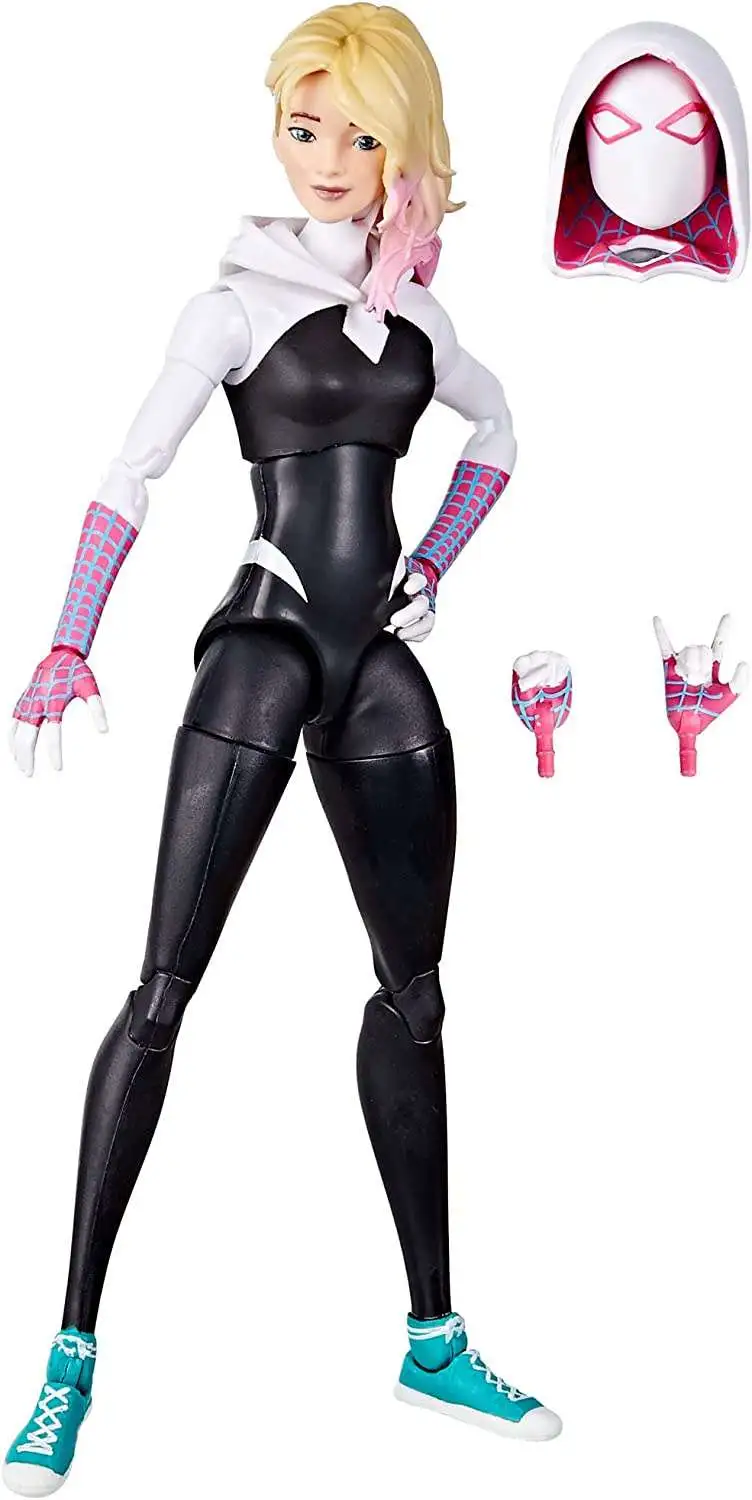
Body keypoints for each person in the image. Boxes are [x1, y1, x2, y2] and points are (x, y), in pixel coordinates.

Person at [4, 6, 561, 1491]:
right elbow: (128, 471)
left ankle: (433, 1339)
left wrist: (433, 563)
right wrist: (70, 637)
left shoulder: (420, 318)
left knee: (417, 994)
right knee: (162, 992)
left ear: (405, 148)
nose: (324, 159)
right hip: (265, 641)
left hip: (375, 661)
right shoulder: (233, 305)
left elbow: (501, 432)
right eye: (303, 128)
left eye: (358, 135)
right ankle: (67, 1362)